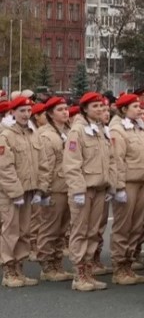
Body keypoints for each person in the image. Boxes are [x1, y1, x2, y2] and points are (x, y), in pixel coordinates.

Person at [63, 92, 117, 292]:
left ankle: (88, 271)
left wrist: (111, 184)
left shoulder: (101, 129)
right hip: (84, 189)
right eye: (95, 106)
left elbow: (110, 159)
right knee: (80, 231)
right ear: (84, 109)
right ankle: (79, 274)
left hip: (99, 188)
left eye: (101, 106)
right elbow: (71, 163)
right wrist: (77, 189)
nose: (100, 110)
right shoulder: (77, 131)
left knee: (93, 232)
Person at [109, 93, 144, 285]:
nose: (140, 109)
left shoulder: (138, 128)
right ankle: (119, 267)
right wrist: (119, 187)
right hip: (127, 183)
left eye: (140, 106)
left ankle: (129, 263)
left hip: (141, 182)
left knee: (137, 226)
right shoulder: (118, 130)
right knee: (123, 227)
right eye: (135, 106)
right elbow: (117, 160)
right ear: (124, 109)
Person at [0, 96, 40, 288]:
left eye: (28, 110)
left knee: (25, 231)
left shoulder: (33, 133)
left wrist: (39, 188)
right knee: (11, 231)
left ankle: (19, 268)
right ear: (12, 113)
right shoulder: (6, 136)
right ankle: (9, 270)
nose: (26, 114)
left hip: (28, 190)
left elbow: (39, 163)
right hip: (11, 193)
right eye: (21, 111)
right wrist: (15, 192)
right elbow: (4, 167)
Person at [34, 97, 72, 282]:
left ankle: (57, 262)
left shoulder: (67, 131)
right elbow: (45, 165)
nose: (65, 112)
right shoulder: (46, 135)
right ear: (50, 114)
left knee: (62, 228)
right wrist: (44, 190)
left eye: (66, 109)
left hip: (68, 186)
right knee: (50, 227)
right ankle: (46, 264)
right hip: (54, 187)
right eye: (60, 110)